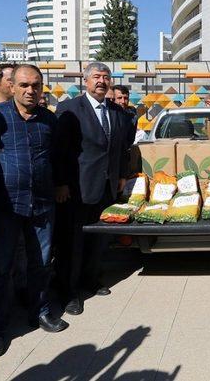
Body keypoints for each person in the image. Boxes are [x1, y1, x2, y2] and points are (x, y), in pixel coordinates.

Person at [0, 64, 67, 360]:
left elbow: (57, 157)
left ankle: (39, 312)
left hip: (42, 204)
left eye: (37, 85)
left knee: (41, 263)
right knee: (0, 268)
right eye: (25, 85)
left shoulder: (49, 120)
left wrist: (60, 184)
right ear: (11, 87)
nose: (31, 91)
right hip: (5, 206)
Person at [55, 63, 131, 315]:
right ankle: (69, 291)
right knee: (72, 242)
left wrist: (121, 176)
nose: (101, 81)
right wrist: (62, 183)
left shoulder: (117, 112)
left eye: (106, 77)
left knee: (99, 241)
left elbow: (121, 148)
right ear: (85, 81)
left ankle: (90, 280)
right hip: (78, 187)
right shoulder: (70, 109)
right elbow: (61, 150)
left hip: (108, 188)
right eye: (96, 77)